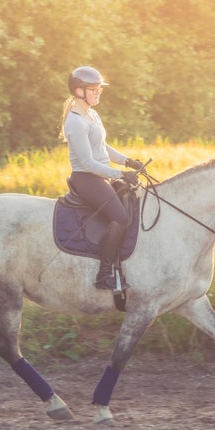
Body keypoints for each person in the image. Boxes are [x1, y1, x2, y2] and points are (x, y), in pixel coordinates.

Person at [59, 65, 143, 290]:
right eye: (93, 89)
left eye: (99, 89)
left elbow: (102, 146)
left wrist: (128, 161)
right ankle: (104, 275)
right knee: (121, 218)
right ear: (79, 91)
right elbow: (87, 163)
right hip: (86, 179)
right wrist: (121, 175)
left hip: (100, 175)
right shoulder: (75, 122)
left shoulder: (92, 114)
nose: (98, 93)